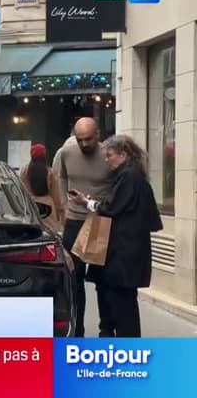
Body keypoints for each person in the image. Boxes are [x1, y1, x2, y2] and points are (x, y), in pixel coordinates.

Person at [68, 135, 162, 337]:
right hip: (127, 254)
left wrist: (87, 203)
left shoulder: (128, 177)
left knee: (121, 307)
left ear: (123, 154)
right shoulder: (134, 177)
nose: (106, 160)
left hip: (122, 256)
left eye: (109, 155)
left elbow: (111, 207)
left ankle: (124, 350)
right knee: (120, 304)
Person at [55, 117, 112, 337]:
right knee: (74, 278)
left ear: (97, 135)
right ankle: (77, 329)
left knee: (102, 280)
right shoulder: (66, 152)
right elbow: (60, 177)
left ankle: (106, 328)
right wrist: (63, 209)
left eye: (88, 139)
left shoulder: (108, 154)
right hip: (74, 221)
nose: (84, 144)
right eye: (80, 140)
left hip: (100, 222)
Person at [19, 144, 64, 232]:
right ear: (44, 155)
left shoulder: (24, 170)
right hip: (48, 207)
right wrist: (60, 212)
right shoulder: (50, 172)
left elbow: (21, 190)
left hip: (30, 205)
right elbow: (56, 194)